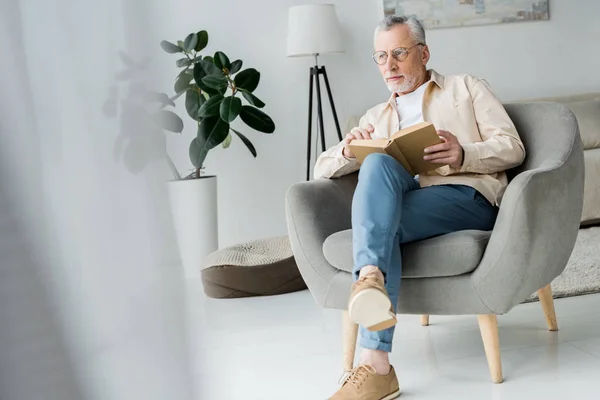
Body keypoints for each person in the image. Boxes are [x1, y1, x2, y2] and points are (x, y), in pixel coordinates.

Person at [315, 15, 526, 400]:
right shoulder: (375, 117)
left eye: (398, 53)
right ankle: (373, 311)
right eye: (380, 56)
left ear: (424, 53)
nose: (389, 65)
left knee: (376, 227)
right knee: (378, 165)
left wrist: (463, 153)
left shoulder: (466, 88)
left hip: (468, 197)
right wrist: (348, 149)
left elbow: (513, 146)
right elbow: (322, 167)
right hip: (409, 204)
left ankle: (374, 353)